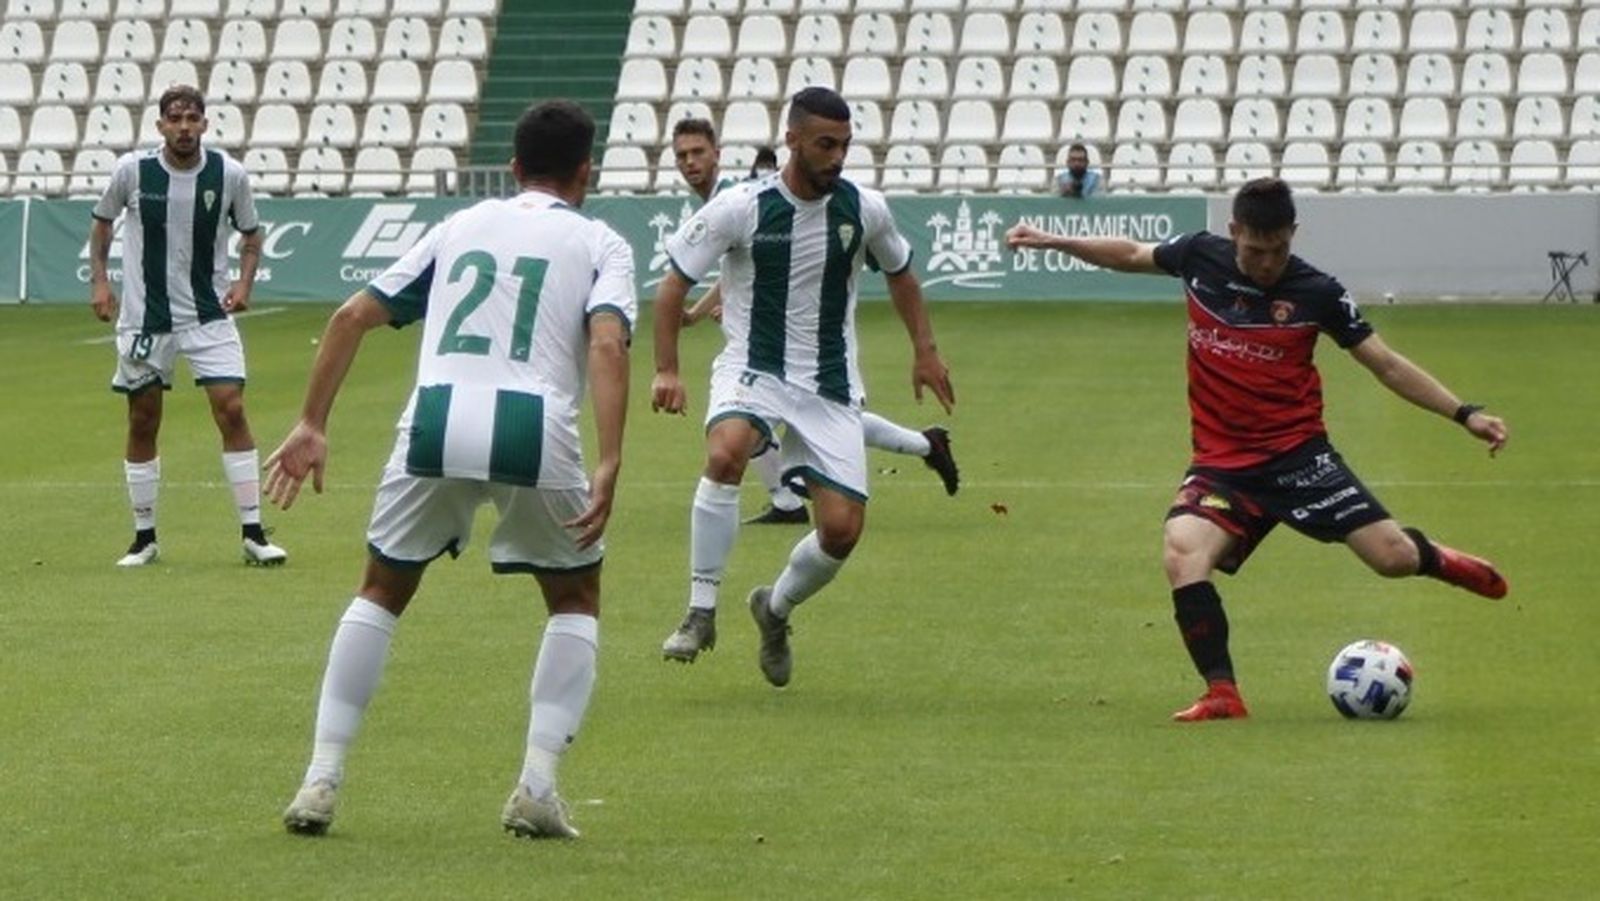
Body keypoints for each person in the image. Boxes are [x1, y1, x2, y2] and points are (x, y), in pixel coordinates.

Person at [1005, 177, 1510, 722]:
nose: (1267, 263)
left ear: (1293, 234)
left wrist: (1465, 413)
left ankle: (1436, 559)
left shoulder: (1318, 292)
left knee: (1391, 560)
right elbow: (1130, 253)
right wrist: (1055, 239)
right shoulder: (1200, 257)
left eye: (1279, 250)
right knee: (1182, 550)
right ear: (1234, 232)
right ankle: (1222, 692)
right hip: (1223, 467)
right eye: (1254, 250)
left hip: (1300, 458)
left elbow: (1385, 363)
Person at [265, 100, 634, 839]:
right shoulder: (600, 241)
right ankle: (536, 784)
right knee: (573, 595)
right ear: (585, 171)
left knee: (381, 588)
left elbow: (349, 318)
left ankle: (321, 777)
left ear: (516, 165)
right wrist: (612, 457)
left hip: (434, 418)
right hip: (535, 425)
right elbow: (605, 343)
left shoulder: (458, 225)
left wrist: (312, 422)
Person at [651, 87, 957, 683]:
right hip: (753, 367)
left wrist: (926, 350)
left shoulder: (864, 208)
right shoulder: (742, 206)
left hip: (829, 383)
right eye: (825, 144)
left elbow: (902, 275)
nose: (837, 156)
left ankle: (775, 608)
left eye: (844, 145)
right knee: (726, 451)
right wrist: (667, 368)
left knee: (841, 532)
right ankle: (700, 610)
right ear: (792, 140)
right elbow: (671, 287)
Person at [671, 120, 960, 532]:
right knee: (771, 416)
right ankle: (923, 445)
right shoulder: (726, 200)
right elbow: (735, 271)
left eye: (698, 152)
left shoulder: (735, 198)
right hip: (761, 333)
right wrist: (703, 311)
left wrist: (703, 311)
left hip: (800, 331)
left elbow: (757, 263)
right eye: (682, 155)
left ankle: (786, 499)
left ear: (717, 152)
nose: (690, 162)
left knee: (767, 417)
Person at [89, 84, 287, 568]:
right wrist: (100, 283)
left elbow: (252, 236)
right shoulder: (132, 171)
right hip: (145, 318)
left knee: (232, 408)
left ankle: (254, 533)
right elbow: (101, 227)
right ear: (160, 125)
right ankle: (144, 538)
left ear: (204, 124)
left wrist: (244, 285)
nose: (183, 127)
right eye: (174, 119)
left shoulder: (229, 174)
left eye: (192, 118)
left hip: (207, 314)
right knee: (143, 419)